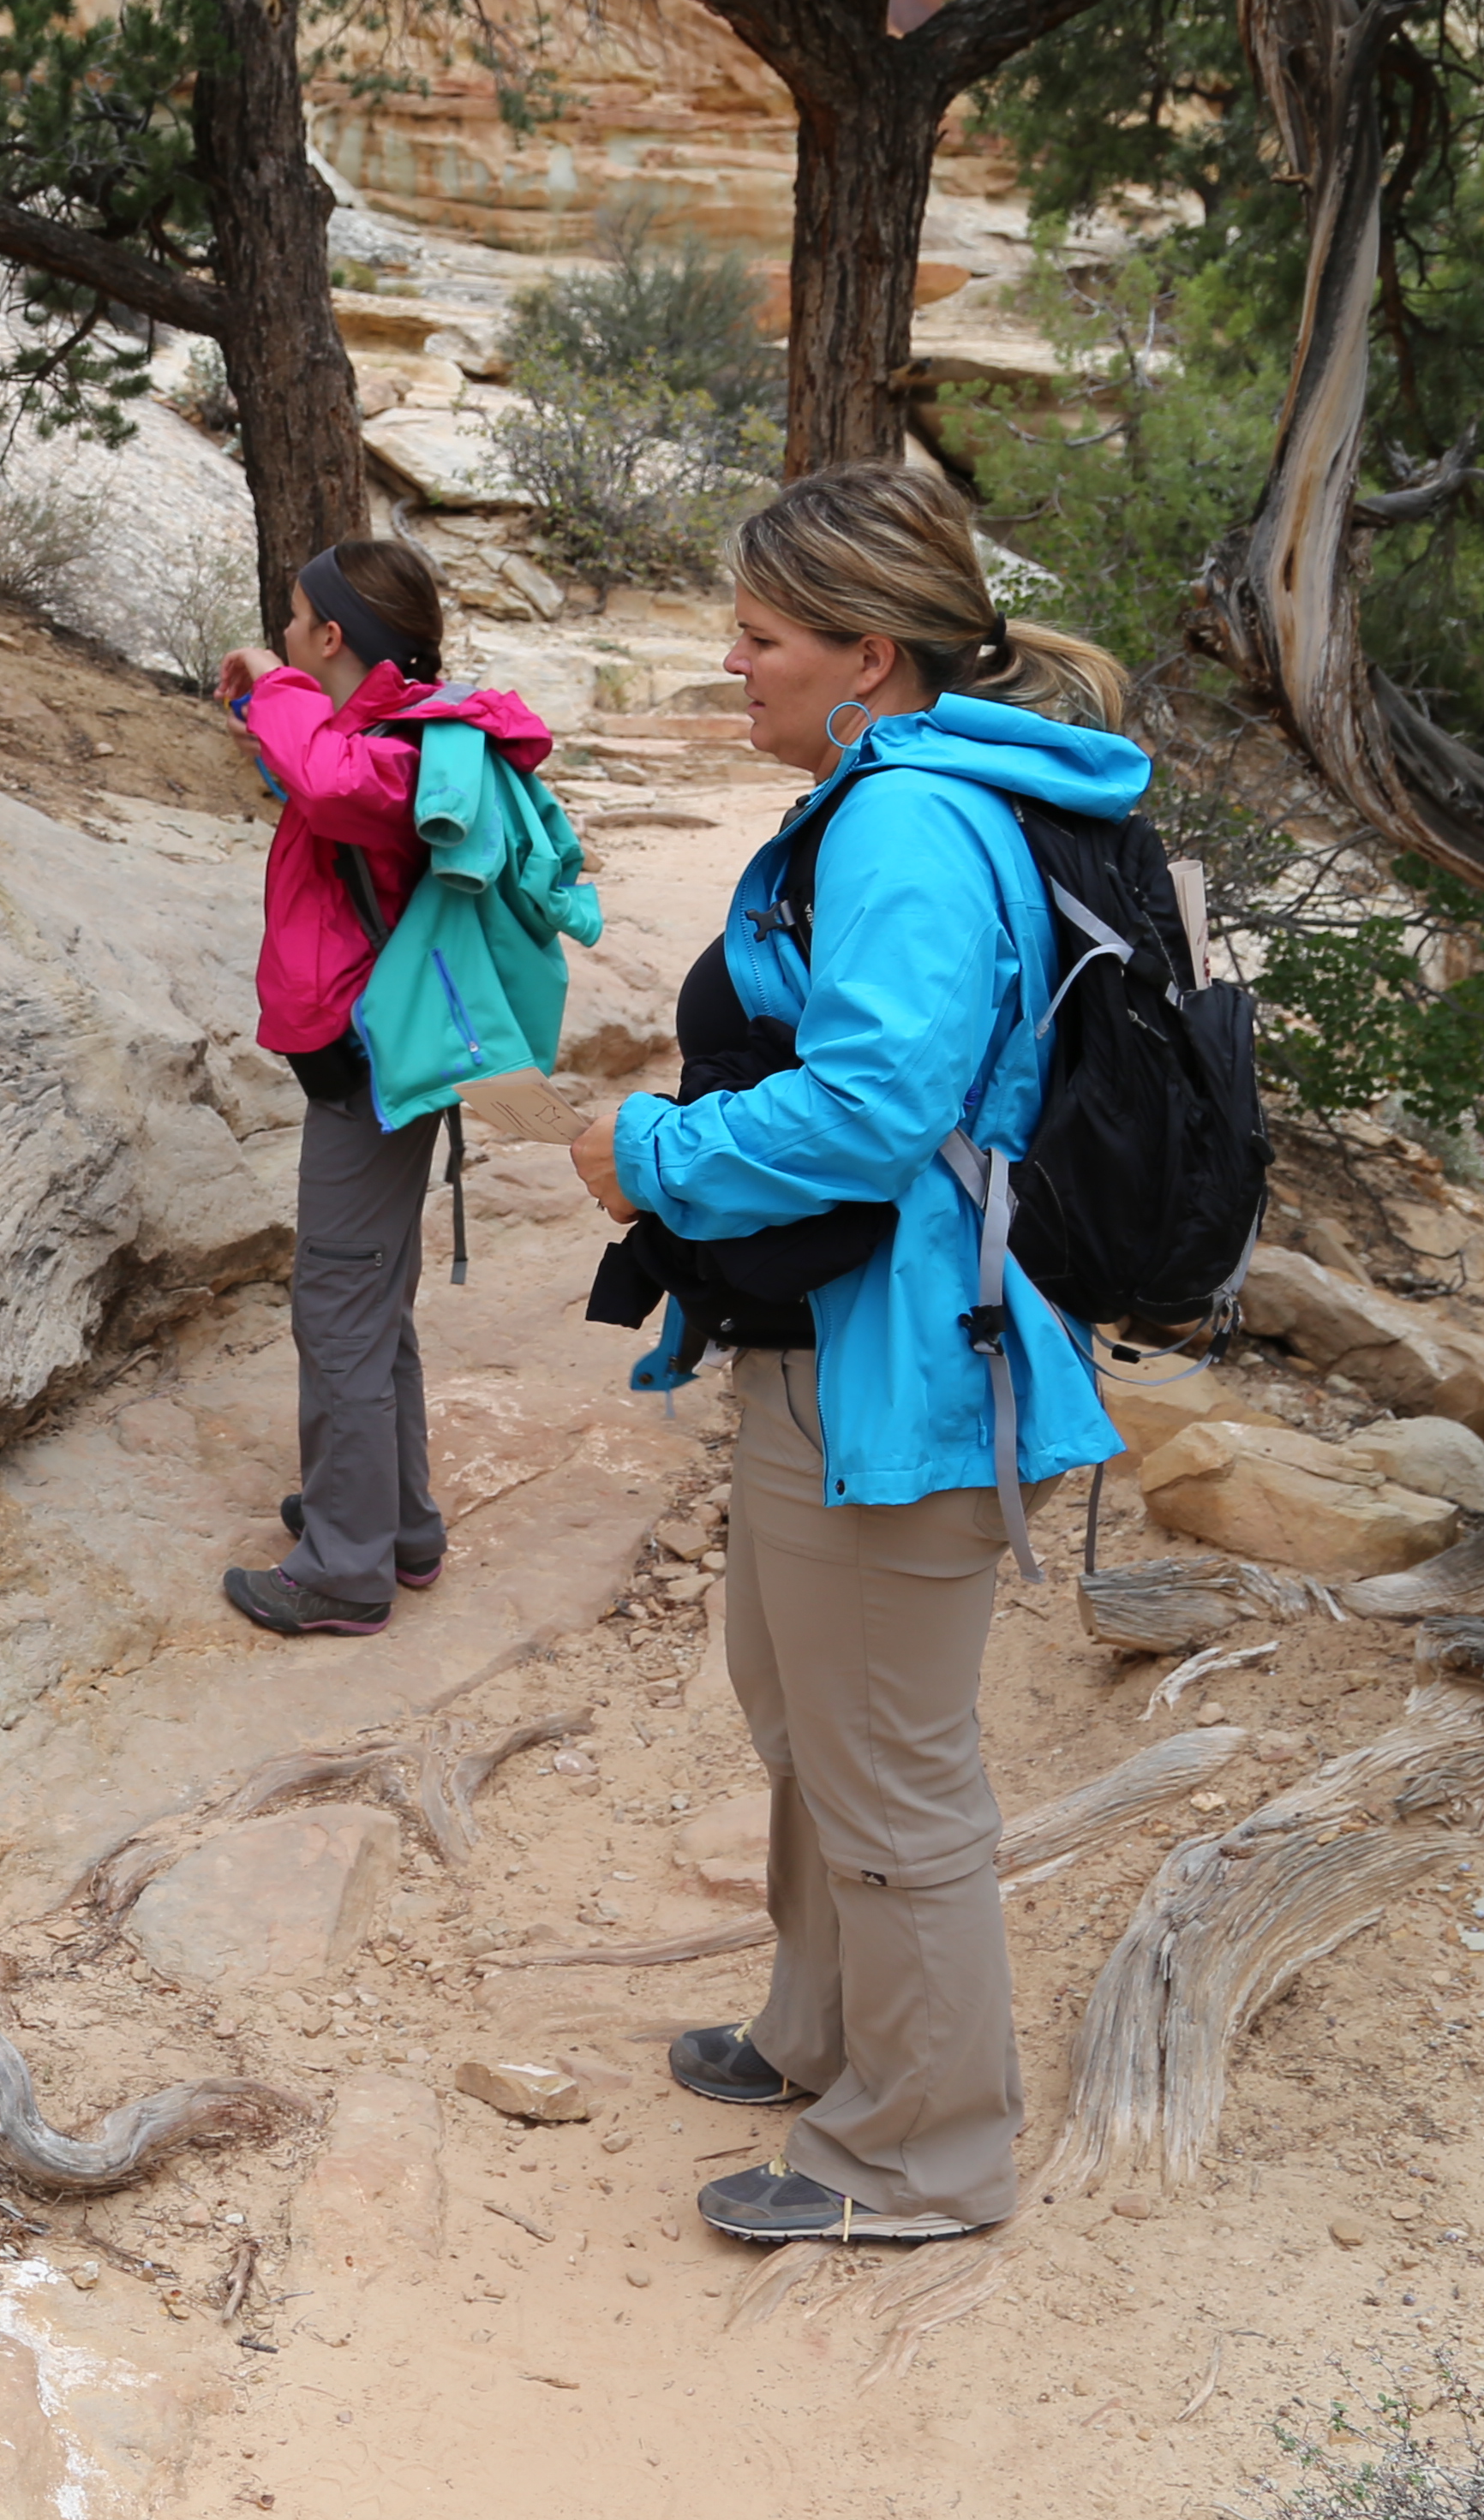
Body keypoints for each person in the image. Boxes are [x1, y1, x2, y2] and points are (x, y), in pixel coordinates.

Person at [562, 458, 1139, 2247]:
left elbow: (879, 1104)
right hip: (838, 1345)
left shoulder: (900, 822)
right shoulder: (890, 795)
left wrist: (649, 1154)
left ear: (867, 654)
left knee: (888, 1760)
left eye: (757, 636)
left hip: (903, 1365)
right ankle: (823, 2032)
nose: (730, 665)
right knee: (803, 1711)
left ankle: (926, 2152)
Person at [211, 539, 556, 1638]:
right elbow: (310, 782)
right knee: (371, 1300)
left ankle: (343, 1569)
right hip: (372, 1059)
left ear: (333, 638)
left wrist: (276, 691)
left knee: (341, 1310)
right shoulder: (383, 735)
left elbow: (328, 782)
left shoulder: (407, 751)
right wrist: (273, 707)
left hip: (371, 1064)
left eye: (296, 622)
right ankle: (393, 1523)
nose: (286, 635)